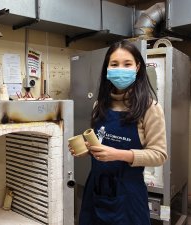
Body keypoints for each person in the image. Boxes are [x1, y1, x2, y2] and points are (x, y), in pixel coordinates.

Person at [69, 40, 168, 225]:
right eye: (114, 64)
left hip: (128, 193)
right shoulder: (99, 105)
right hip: (96, 189)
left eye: (127, 64)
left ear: (137, 67)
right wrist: (88, 148)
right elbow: (101, 140)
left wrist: (118, 155)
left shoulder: (150, 108)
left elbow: (159, 155)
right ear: (107, 68)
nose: (120, 69)